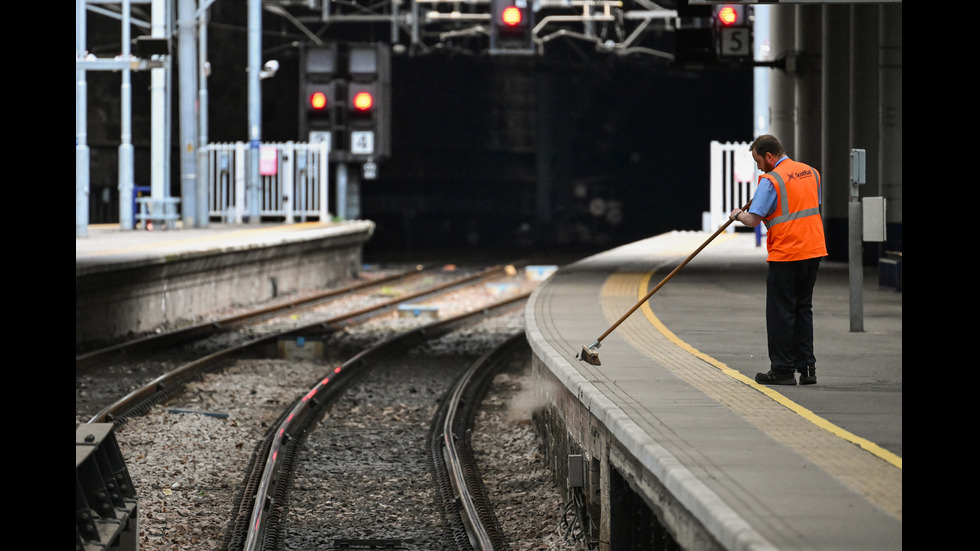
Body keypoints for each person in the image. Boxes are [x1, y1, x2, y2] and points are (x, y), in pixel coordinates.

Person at [729, 134, 827, 386]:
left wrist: (738, 215)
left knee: (781, 312)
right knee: (803, 308)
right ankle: (807, 370)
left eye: (758, 160)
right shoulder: (811, 173)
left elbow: (753, 220)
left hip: (786, 254)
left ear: (769, 156)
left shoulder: (771, 180)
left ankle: (782, 370)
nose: (758, 166)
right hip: (813, 250)